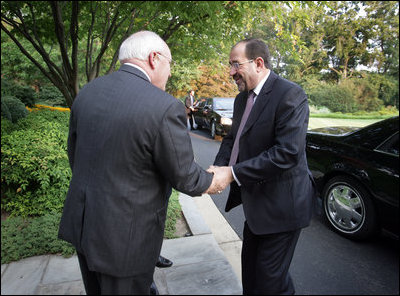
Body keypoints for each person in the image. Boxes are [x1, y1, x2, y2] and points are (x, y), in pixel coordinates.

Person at [58, 30, 220, 295]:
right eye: (170, 63)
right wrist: (216, 179)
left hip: (85, 226)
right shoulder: (165, 106)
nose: (169, 72)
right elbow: (185, 177)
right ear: (154, 58)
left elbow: (75, 155)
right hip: (126, 240)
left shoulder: (88, 93)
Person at [207, 38, 316, 295]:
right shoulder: (241, 99)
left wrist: (232, 174)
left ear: (258, 63)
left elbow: (287, 153)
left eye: (235, 64)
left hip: (284, 207)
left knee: (269, 284)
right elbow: (233, 139)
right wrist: (218, 168)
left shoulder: (290, 94)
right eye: (229, 65)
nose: (230, 71)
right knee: (254, 276)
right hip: (257, 209)